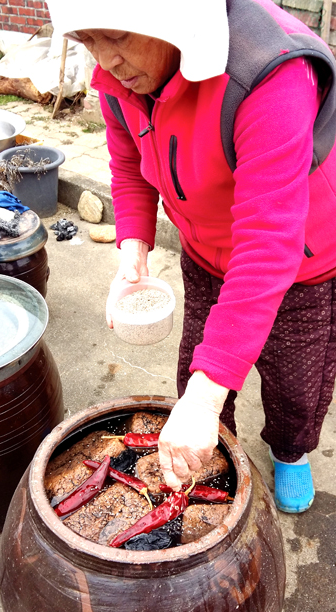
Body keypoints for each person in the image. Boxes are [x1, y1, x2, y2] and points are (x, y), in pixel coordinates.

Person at [47, 0, 336, 513]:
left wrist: (207, 396)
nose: (104, 60)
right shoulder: (122, 79)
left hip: (302, 258)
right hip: (205, 251)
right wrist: (133, 246)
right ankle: (215, 451)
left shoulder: (270, 71)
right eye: (85, 40)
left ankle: (291, 451)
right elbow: (129, 161)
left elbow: (269, 242)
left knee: (295, 381)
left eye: (113, 35)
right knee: (198, 369)